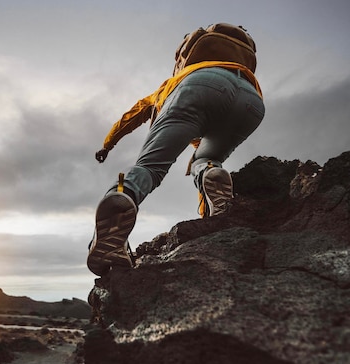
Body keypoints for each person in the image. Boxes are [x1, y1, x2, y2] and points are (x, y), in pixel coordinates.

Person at [88, 23, 265, 276]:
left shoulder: (171, 83)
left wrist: (107, 144)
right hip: (251, 100)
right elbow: (196, 144)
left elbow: (131, 116)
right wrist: (212, 221)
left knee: (150, 167)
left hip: (199, 86)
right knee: (207, 158)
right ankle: (213, 173)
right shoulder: (239, 67)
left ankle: (123, 196)